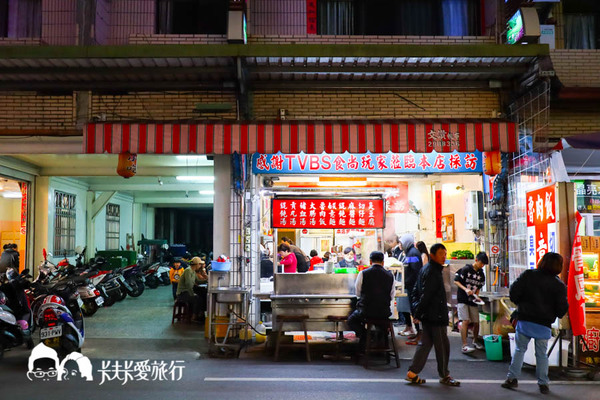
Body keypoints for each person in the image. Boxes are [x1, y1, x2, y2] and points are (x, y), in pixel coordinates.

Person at [501, 252, 568, 395]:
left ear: (542, 261)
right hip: (543, 324)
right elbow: (562, 307)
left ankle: (512, 379)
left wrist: (521, 304)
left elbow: (514, 292)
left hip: (525, 320)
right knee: (542, 354)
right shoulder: (559, 285)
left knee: (519, 350)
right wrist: (553, 314)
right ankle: (543, 384)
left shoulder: (528, 275)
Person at [407, 243, 460, 387]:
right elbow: (426, 295)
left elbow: (415, 293)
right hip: (435, 316)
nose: (444, 257)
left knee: (425, 344)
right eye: (441, 254)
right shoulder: (432, 272)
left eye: (445, 253)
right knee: (443, 347)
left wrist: (418, 312)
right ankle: (444, 375)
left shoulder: (426, 269)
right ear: (432, 255)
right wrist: (417, 313)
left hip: (428, 315)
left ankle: (412, 373)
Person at [347, 251, 395, 349]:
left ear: (370, 261)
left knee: (351, 320)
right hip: (384, 312)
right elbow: (392, 295)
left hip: (366, 311)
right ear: (383, 262)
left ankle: (365, 336)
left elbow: (358, 293)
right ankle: (380, 340)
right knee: (382, 325)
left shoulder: (363, 273)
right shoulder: (390, 275)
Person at [454, 251, 488, 353]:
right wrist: (465, 289)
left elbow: (478, 287)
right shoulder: (466, 269)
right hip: (462, 299)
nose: (482, 266)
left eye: (483, 264)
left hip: (473, 300)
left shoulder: (481, 274)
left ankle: (475, 340)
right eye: (481, 263)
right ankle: (464, 345)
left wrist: (477, 296)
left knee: (476, 322)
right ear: (476, 260)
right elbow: (456, 281)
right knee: (465, 321)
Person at [400, 234, 423, 343]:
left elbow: (415, 271)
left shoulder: (413, 253)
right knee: (414, 311)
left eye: (401, 242)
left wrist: (412, 284)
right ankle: (418, 334)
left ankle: (420, 335)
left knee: (416, 311)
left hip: (413, 286)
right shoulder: (410, 252)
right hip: (411, 285)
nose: (400, 245)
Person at [176, 256, 206, 322]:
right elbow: (188, 284)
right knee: (197, 299)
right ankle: (194, 316)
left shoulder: (193, 271)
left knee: (202, 296)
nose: (200, 266)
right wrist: (192, 294)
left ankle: (200, 315)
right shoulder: (188, 271)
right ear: (197, 264)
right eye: (200, 264)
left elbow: (198, 281)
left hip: (187, 291)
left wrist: (207, 280)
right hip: (182, 293)